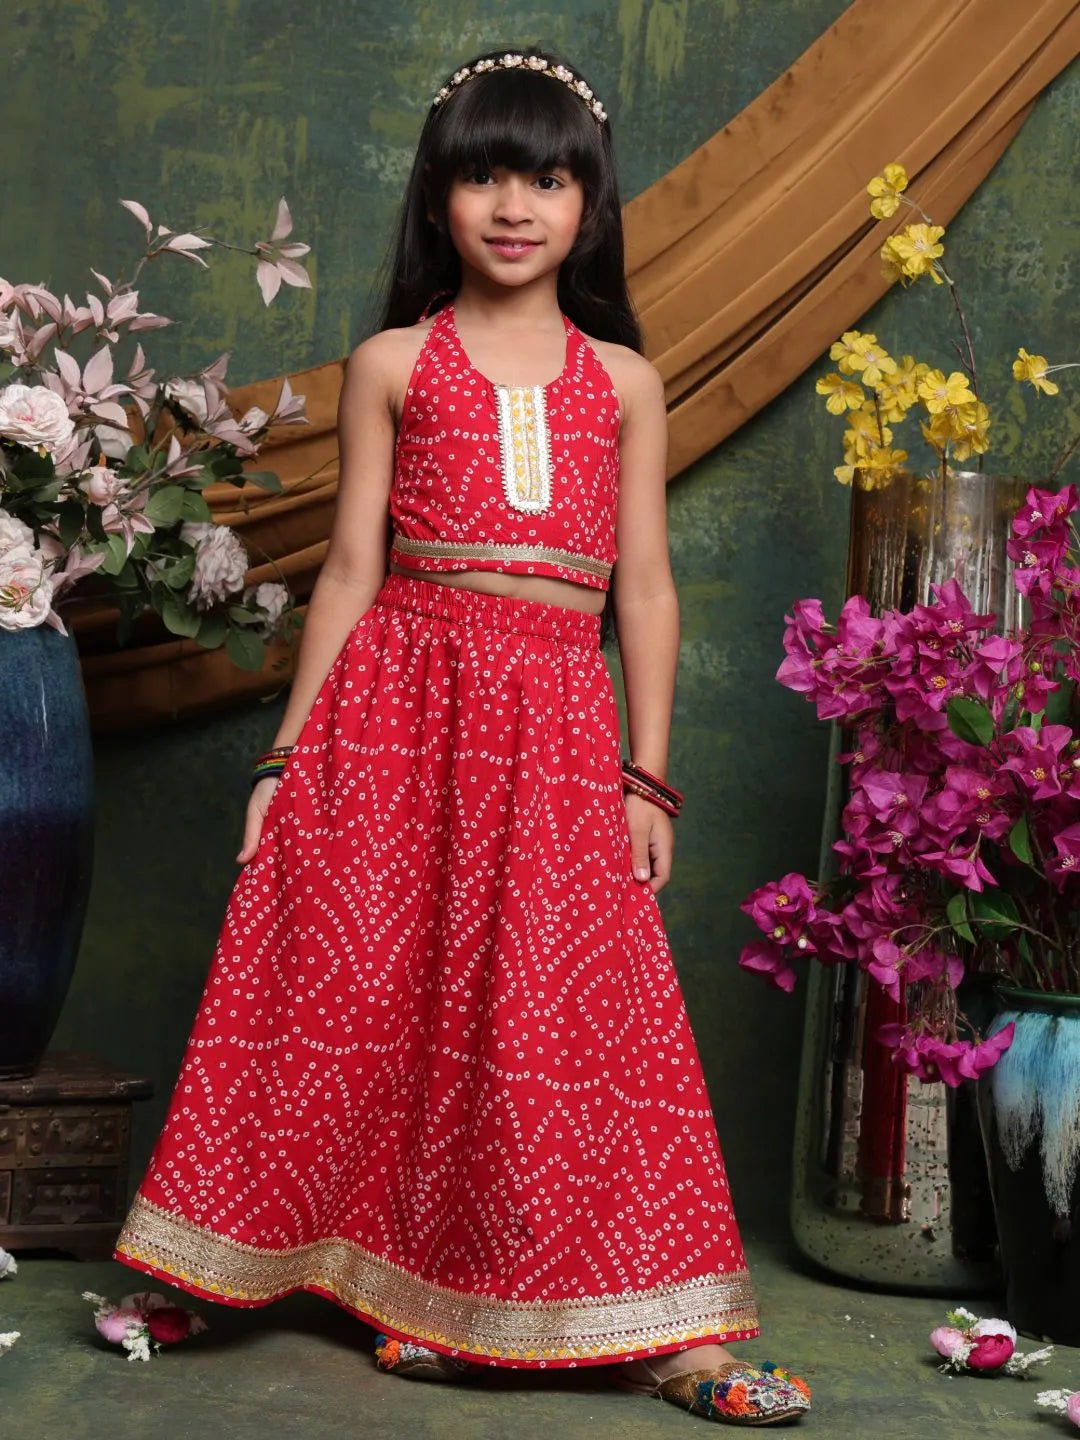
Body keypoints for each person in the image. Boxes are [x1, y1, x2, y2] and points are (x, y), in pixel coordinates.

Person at [114, 47, 810, 1428]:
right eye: (485, 173)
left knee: (553, 1004)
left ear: (589, 205)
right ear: (438, 197)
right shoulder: (390, 363)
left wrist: (647, 776)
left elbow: (647, 588)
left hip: (555, 721)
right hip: (393, 712)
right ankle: (376, 1289)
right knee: (367, 991)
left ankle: (650, 1329)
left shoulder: (623, 381)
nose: (514, 204)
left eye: (547, 178)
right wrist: (283, 758)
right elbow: (353, 572)